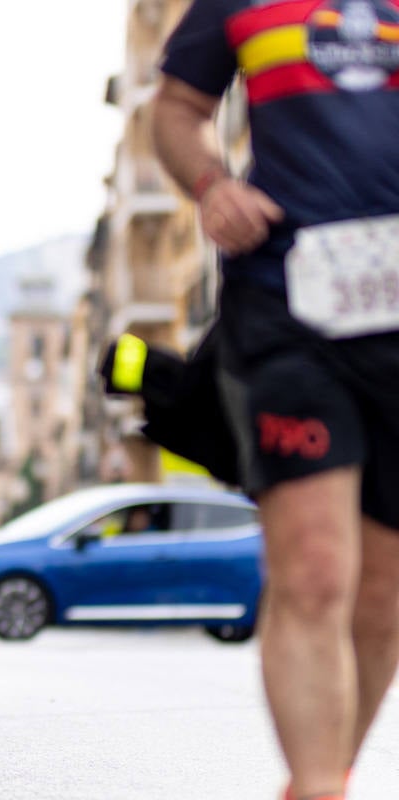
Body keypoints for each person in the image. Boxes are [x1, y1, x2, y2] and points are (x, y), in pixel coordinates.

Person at [152, 3, 399, 799]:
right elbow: (179, 110)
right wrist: (212, 183)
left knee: (384, 586)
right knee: (317, 568)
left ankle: (322, 777)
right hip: (286, 300)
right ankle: (323, 786)